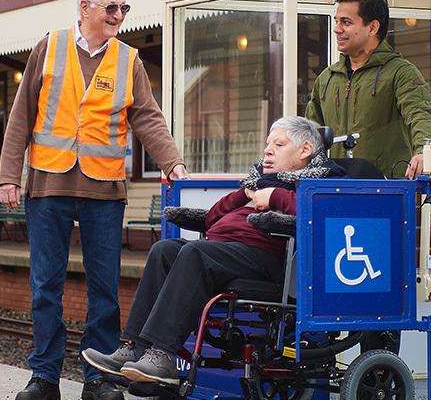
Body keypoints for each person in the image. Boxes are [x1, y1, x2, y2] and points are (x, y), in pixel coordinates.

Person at [0, 0, 190, 400]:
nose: (119, 16)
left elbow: (148, 118)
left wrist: (172, 161)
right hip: (48, 184)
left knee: (104, 288)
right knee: (46, 286)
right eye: (111, 8)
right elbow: (20, 115)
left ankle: (97, 380)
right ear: (85, 8)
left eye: (123, 8)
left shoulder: (129, 60)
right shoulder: (49, 47)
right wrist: (8, 176)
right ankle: (44, 378)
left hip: (104, 188)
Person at [82, 116, 345, 384]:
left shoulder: (324, 178)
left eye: (279, 144)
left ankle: (162, 355)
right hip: (227, 250)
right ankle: (135, 348)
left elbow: (321, 214)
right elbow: (212, 218)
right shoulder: (261, 182)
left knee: (195, 253)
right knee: (163, 250)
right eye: (268, 144)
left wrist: (276, 196)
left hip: (267, 258)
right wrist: (246, 192)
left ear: (305, 150)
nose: (268, 150)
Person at [306, 0, 431, 179]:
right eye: (336, 21)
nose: (337, 29)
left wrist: (424, 153)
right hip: (335, 189)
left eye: (346, 22)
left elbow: (420, 115)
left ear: (372, 28)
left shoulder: (401, 72)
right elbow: (309, 134)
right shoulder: (326, 78)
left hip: (388, 192)